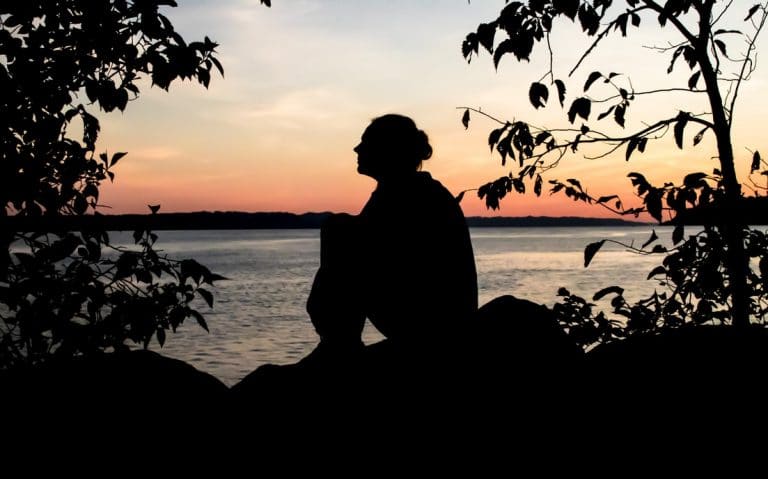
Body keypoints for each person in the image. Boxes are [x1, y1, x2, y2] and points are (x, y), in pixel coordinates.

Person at [305, 114, 478, 366]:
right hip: (426, 316)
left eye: (365, 142)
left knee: (337, 228)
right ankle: (336, 342)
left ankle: (338, 344)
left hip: (432, 324)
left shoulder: (412, 194)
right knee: (340, 228)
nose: (357, 149)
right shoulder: (402, 190)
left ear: (388, 149)